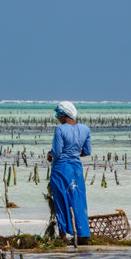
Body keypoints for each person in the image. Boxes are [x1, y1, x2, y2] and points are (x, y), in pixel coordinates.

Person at [47, 101, 91, 241]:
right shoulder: (85, 129)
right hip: (76, 169)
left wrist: (49, 154)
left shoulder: (60, 129)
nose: (56, 116)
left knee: (61, 201)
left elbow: (57, 152)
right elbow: (86, 151)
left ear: (63, 114)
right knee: (78, 199)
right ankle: (82, 234)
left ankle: (63, 235)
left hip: (61, 169)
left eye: (57, 113)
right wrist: (73, 154)